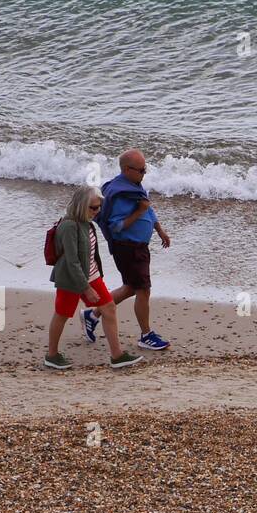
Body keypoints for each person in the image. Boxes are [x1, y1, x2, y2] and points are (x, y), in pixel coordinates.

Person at [45, 185, 142, 370]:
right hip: (71, 279)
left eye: (99, 207)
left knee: (109, 308)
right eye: (93, 208)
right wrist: (85, 288)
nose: (97, 211)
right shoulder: (69, 226)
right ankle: (51, 355)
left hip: (91, 275)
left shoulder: (87, 223)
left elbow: (89, 255)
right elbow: (72, 262)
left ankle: (117, 355)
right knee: (62, 314)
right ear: (81, 205)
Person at [84, 148, 171, 350]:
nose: (144, 174)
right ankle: (146, 335)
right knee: (143, 289)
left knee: (132, 287)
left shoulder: (134, 186)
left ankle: (93, 314)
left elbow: (147, 208)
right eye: (140, 170)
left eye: (145, 169)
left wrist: (160, 230)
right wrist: (139, 211)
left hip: (139, 247)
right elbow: (115, 226)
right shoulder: (119, 193)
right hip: (127, 247)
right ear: (126, 169)